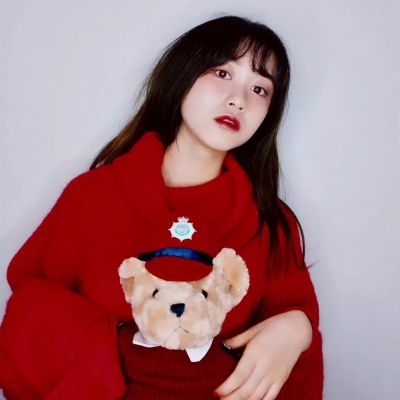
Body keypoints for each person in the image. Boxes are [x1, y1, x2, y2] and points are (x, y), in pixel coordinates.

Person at [0, 14, 323, 400]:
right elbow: (28, 310)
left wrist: (296, 329)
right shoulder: (92, 196)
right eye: (222, 73)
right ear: (182, 75)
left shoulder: (271, 221)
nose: (239, 100)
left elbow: (295, 319)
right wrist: (114, 359)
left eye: (260, 89)